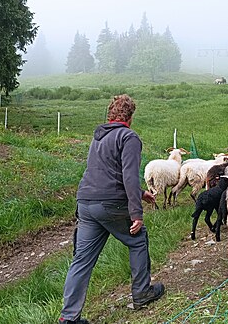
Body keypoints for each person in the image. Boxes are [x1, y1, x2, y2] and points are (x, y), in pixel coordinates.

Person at [59, 95, 164, 324]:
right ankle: (142, 294)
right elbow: (128, 175)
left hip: (86, 203)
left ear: (110, 114)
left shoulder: (98, 137)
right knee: (137, 239)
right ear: (130, 116)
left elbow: (104, 172)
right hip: (111, 203)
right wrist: (136, 213)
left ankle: (68, 317)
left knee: (82, 260)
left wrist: (140, 193)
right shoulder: (129, 137)